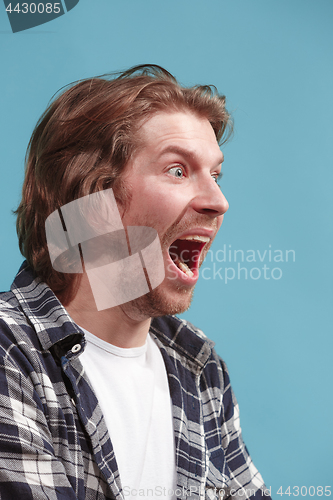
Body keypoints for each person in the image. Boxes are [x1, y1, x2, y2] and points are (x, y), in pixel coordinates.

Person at [0, 65, 271, 500]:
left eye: (215, 175)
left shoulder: (198, 367)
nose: (219, 202)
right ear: (92, 203)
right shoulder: (11, 351)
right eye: (178, 171)